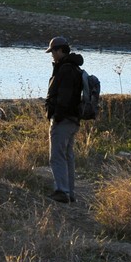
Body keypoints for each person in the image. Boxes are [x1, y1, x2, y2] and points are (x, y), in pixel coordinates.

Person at [44, 36, 83, 204]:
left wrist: (57, 116)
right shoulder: (73, 68)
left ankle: (62, 191)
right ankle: (69, 193)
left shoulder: (66, 69)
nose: (52, 55)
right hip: (73, 119)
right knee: (67, 156)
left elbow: (64, 97)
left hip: (64, 120)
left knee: (57, 156)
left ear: (60, 50)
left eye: (53, 51)